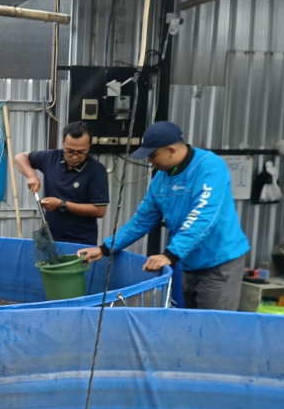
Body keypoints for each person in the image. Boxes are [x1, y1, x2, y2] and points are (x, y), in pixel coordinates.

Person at [77, 121, 250, 310]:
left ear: (171, 150)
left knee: (215, 327)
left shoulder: (209, 167)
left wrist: (170, 254)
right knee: (192, 323)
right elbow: (141, 220)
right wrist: (105, 248)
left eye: (153, 155)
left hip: (219, 262)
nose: (150, 161)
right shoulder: (160, 179)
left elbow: (203, 215)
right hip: (188, 261)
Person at [13, 121, 109, 246]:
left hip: (81, 242)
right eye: (69, 151)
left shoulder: (96, 170)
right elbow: (20, 157)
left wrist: (61, 204)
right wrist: (32, 176)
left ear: (89, 146)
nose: (74, 157)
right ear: (63, 143)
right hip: (50, 239)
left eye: (81, 152)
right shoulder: (52, 158)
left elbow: (100, 210)